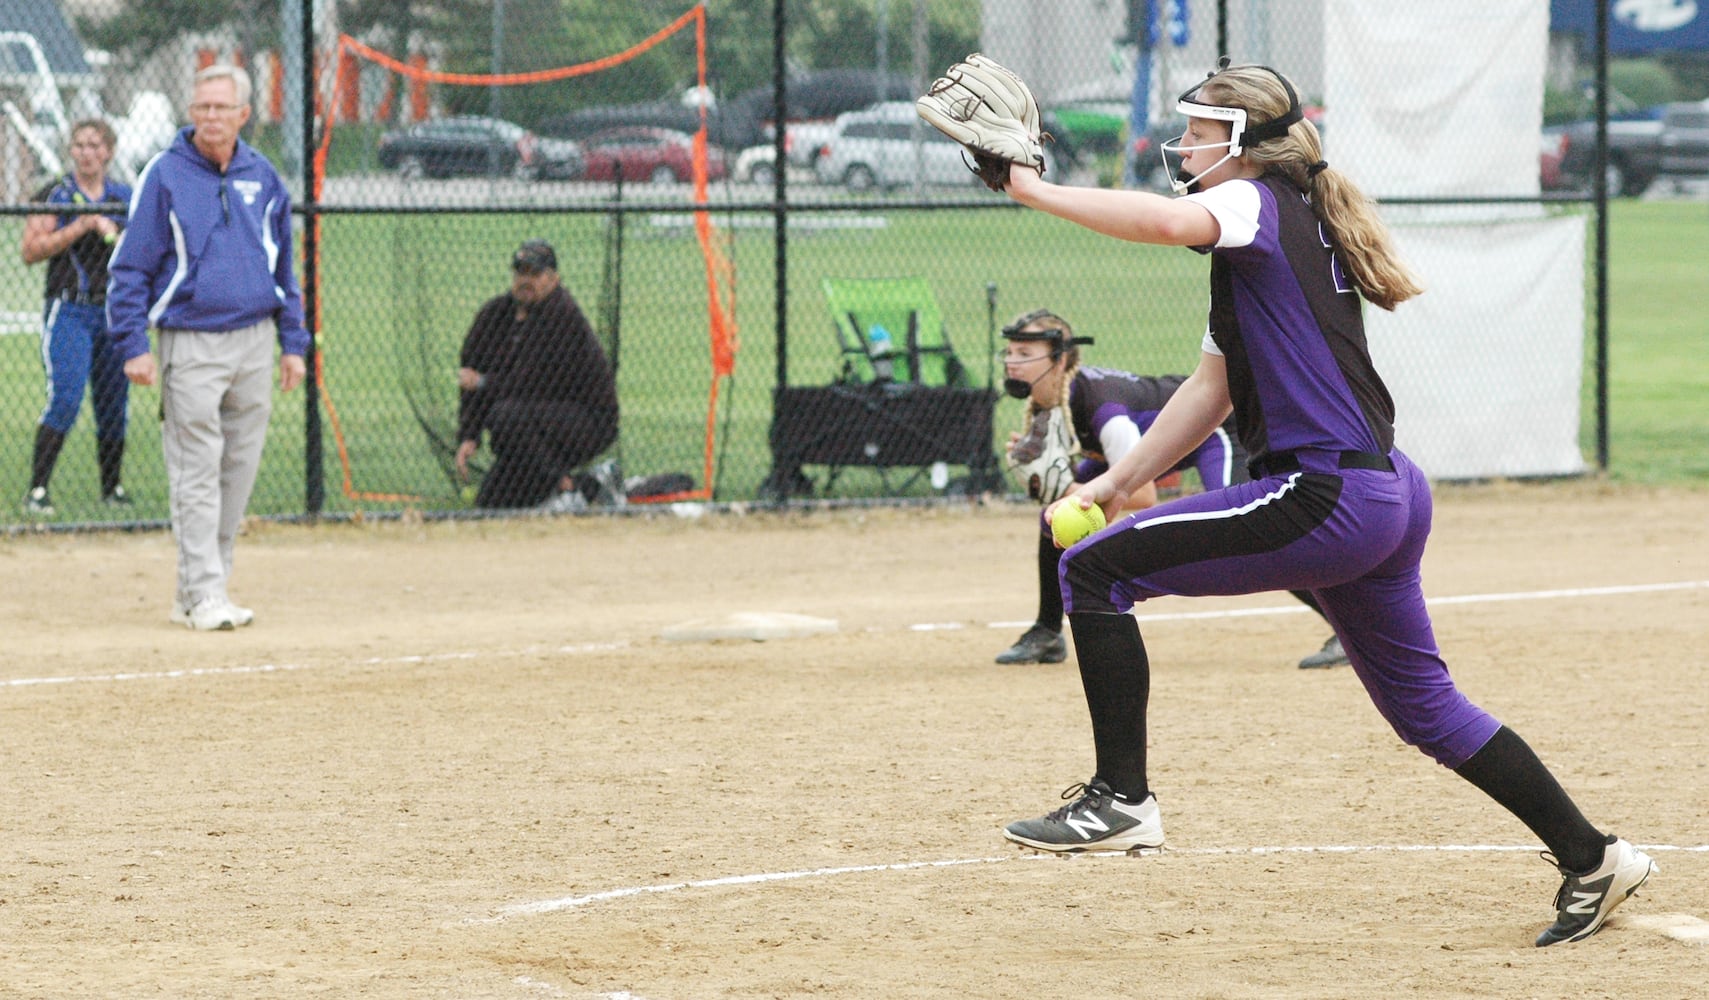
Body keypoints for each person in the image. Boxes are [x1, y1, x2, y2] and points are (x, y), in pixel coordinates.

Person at [992, 59, 1653, 946]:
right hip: (1384, 490)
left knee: (1092, 571)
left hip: (1324, 494)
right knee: (1424, 707)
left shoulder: (1250, 200)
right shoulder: (1279, 230)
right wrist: (1112, 483)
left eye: (1197, 130)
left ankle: (1122, 798)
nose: (1181, 143)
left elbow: (1159, 220)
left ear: (1242, 145)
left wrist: (1031, 188)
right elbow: (1208, 393)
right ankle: (1594, 856)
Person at [993, 308, 1346, 668]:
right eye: (1009, 352)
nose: (1012, 362)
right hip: (1157, 448)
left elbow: (1143, 494)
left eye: (1025, 353)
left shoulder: (1102, 406)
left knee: (1255, 532)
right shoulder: (1051, 405)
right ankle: (1047, 632)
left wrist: (1066, 484)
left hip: (1216, 430)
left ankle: (1346, 628)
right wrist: (1053, 483)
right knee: (1055, 518)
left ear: (1060, 357)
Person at [108, 65, 309, 631]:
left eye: (222, 108)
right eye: (202, 107)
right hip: (190, 343)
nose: (210, 117)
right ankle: (205, 593)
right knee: (196, 471)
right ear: (191, 112)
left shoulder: (263, 177)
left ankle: (198, 590)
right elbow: (129, 268)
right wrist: (133, 345)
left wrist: (293, 342)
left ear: (245, 114)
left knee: (237, 473)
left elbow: (283, 268)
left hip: (255, 342)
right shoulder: (165, 175)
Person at [19, 119, 134, 516]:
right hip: (69, 308)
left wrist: (110, 231)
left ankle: (112, 488)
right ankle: (38, 490)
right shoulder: (57, 194)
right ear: (71, 150)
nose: (87, 152)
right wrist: (80, 225)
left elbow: (141, 250)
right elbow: (31, 250)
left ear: (109, 152)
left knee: (114, 403)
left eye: (95, 145)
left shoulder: (123, 196)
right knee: (66, 397)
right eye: (80, 145)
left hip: (113, 311)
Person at [455, 239, 619, 510]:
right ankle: (592, 485)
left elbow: (530, 383)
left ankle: (566, 486)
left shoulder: (562, 315)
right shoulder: (493, 315)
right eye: (521, 273)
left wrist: (483, 383)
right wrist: (469, 434)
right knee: (490, 505)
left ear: (554, 279)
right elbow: (471, 373)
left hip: (587, 419)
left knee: (505, 418)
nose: (526, 280)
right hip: (532, 424)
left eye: (535, 274)